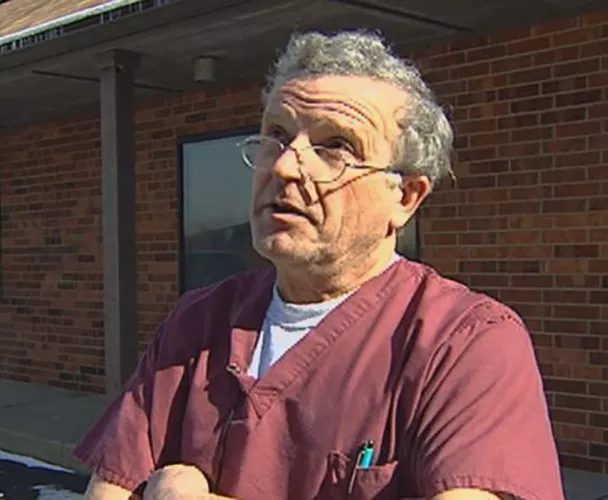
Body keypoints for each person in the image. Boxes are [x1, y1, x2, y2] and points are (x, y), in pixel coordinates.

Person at [76, 30, 563, 500]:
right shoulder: (196, 324)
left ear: (406, 197)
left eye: (335, 146)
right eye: (276, 135)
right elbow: (109, 490)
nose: (285, 166)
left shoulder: (465, 342)